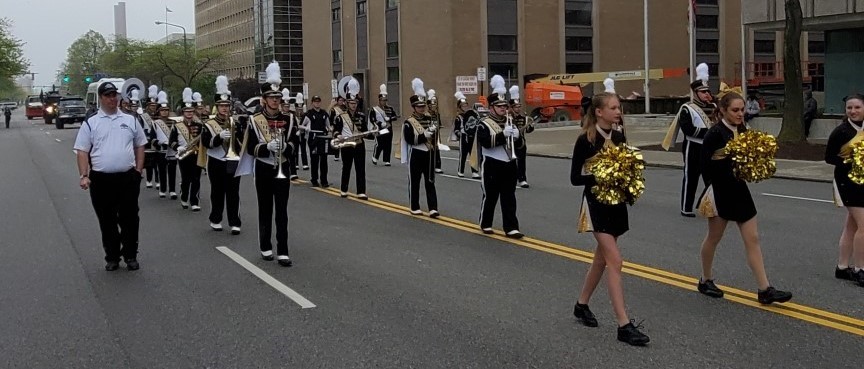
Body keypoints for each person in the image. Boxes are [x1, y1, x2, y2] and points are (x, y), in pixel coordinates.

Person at [569, 80, 649, 346]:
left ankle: (581, 304)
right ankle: (623, 324)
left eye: (619, 107)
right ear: (599, 112)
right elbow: (574, 179)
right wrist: (599, 178)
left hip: (616, 205)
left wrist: (627, 182)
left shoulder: (619, 137)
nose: (618, 111)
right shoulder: (585, 140)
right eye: (614, 107)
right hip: (595, 206)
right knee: (616, 261)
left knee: (601, 261)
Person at [695, 92, 793, 305]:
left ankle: (764, 289)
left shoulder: (742, 129)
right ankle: (705, 279)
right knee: (714, 238)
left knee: (753, 239)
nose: (740, 114)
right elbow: (704, 167)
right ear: (722, 110)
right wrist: (712, 190)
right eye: (735, 110)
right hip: (721, 192)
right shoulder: (714, 134)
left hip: (740, 190)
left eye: (742, 110)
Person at [73, 81, 147, 271]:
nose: (112, 99)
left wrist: (138, 170)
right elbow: (82, 150)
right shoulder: (92, 122)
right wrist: (84, 175)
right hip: (101, 179)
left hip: (127, 177)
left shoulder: (130, 120)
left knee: (130, 218)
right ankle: (112, 257)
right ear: (101, 98)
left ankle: (130, 255)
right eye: (108, 95)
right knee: (107, 220)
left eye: (114, 95)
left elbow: (140, 145)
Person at [241, 61, 299, 266]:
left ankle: (283, 250)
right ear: (264, 99)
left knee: (282, 211)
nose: (275, 100)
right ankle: (265, 246)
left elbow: (295, 142)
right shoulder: (254, 120)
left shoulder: (290, 119)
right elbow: (250, 149)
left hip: (282, 165)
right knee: (265, 208)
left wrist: (285, 148)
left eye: (277, 97)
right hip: (264, 167)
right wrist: (267, 148)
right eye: (271, 97)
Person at [663, 62, 716, 218]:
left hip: (709, 149)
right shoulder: (687, 108)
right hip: (693, 148)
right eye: (703, 92)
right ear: (696, 92)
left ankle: (713, 206)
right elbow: (689, 130)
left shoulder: (714, 107)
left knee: (712, 180)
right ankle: (686, 208)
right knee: (691, 179)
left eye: (708, 92)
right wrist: (711, 133)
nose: (707, 95)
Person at [825, 94, 864, 286]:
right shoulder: (841, 132)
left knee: (852, 226)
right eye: (849, 108)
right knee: (863, 225)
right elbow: (829, 158)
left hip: (863, 182)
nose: (853, 111)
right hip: (846, 182)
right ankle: (860, 269)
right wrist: (853, 160)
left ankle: (842, 267)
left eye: (857, 107)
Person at [477, 75, 523, 239]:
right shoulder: (484, 123)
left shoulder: (511, 122)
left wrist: (518, 136)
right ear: (491, 108)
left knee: (509, 196)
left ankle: (511, 227)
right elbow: (485, 143)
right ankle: (486, 223)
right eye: (499, 106)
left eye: (504, 105)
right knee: (491, 195)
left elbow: (520, 146)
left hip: (509, 163)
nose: (504, 108)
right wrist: (503, 135)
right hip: (492, 163)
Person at [201, 75, 244, 234]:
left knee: (233, 193)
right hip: (216, 161)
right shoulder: (208, 125)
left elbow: (242, 143)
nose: (225, 108)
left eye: (227, 105)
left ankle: (235, 221)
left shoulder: (236, 123)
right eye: (221, 105)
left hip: (232, 161)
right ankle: (216, 219)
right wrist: (219, 137)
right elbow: (206, 143)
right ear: (216, 107)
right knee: (217, 192)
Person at [401, 78, 439, 217]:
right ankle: (414, 206)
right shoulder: (409, 122)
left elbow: (435, 139)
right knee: (415, 181)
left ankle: (433, 207)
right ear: (414, 107)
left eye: (423, 106)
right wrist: (425, 135)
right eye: (419, 106)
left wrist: (434, 133)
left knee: (430, 181)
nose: (422, 108)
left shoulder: (429, 118)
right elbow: (410, 139)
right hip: (416, 153)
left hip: (428, 153)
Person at [333, 77, 370, 199]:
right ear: (347, 103)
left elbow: (365, 130)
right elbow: (336, 130)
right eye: (351, 103)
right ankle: (344, 189)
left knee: (360, 168)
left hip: (359, 144)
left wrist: (370, 133)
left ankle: (361, 191)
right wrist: (339, 135)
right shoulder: (341, 116)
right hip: (347, 144)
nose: (353, 105)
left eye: (355, 103)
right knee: (347, 167)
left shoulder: (361, 116)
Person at [169, 88, 204, 211]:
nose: (189, 113)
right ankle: (184, 197)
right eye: (186, 111)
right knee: (186, 178)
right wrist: (177, 147)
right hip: (184, 155)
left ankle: (194, 201)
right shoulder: (177, 126)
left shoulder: (200, 126)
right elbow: (171, 141)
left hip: (196, 154)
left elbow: (203, 141)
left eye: (191, 111)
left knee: (196, 178)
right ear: (183, 112)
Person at [509, 85, 535, 188]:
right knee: (510, 163)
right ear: (511, 107)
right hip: (510, 143)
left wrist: (531, 127)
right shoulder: (507, 118)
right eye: (516, 107)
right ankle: (511, 178)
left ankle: (522, 179)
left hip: (521, 143)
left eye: (519, 106)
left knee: (522, 162)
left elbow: (527, 130)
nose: (518, 109)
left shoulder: (523, 118)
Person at [303, 95, 331, 188]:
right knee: (314, 160)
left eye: (318, 101)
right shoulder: (308, 114)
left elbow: (328, 126)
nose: (317, 103)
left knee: (324, 160)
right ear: (312, 103)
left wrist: (331, 130)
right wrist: (306, 128)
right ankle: (314, 179)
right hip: (313, 138)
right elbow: (301, 126)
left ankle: (324, 180)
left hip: (323, 138)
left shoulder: (324, 114)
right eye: (315, 101)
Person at [153, 91, 178, 199]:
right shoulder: (155, 123)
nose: (164, 112)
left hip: (172, 150)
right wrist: (159, 143)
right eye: (162, 110)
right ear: (159, 111)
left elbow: (177, 137)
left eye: (166, 110)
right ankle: (163, 189)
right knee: (162, 170)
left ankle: (172, 190)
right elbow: (152, 138)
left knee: (172, 171)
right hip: (161, 150)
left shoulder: (173, 123)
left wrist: (174, 145)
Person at [453, 92, 481, 179]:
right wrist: (459, 134)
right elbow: (456, 129)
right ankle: (460, 171)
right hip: (464, 137)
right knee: (463, 155)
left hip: (472, 137)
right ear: (459, 107)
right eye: (463, 106)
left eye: (466, 105)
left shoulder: (472, 114)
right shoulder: (459, 117)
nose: (465, 107)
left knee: (473, 155)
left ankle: (474, 172)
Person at [371, 84, 398, 166]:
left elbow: (395, 117)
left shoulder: (390, 108)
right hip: (380, 129)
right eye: (382, 100)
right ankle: (375, 157)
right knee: (380, 143)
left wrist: (389, 119)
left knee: (388, 144)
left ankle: (387, 160)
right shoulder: (375, 109)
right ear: (379, 100)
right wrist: (380, 123)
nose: (384, 102)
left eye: (385, 100)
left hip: (389, 128)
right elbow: (372, 119)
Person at [279, 88, 301, 180]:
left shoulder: (292, 116)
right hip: (281, 137)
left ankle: (293, 172)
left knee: (292, 155)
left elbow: (296, 125)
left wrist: (297, 131)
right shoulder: (279, 115)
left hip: (291, 138)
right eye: (285, 106)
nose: (287, 108)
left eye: (288, 106)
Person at [294, 92, 310, 172]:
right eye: (298, 109)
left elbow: (308, 124)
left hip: (303, 133)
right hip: (295, 134)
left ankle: (305, 164)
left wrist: (305, 128)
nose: (299, 110)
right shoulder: (293, 116)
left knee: (303, 149)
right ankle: (296, 163)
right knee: (295, 149)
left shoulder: (305, 116)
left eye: (300, 109)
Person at [330, 96, 347, 162]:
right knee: (336, 139)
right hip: (336, 125)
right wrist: (331, 125)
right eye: (340, 100)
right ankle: (336, 154)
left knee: (343, 139)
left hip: (343, 125)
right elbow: (331, 118)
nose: (341, 102)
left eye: (342, 100)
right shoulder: (334, 109)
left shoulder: (345, 108)